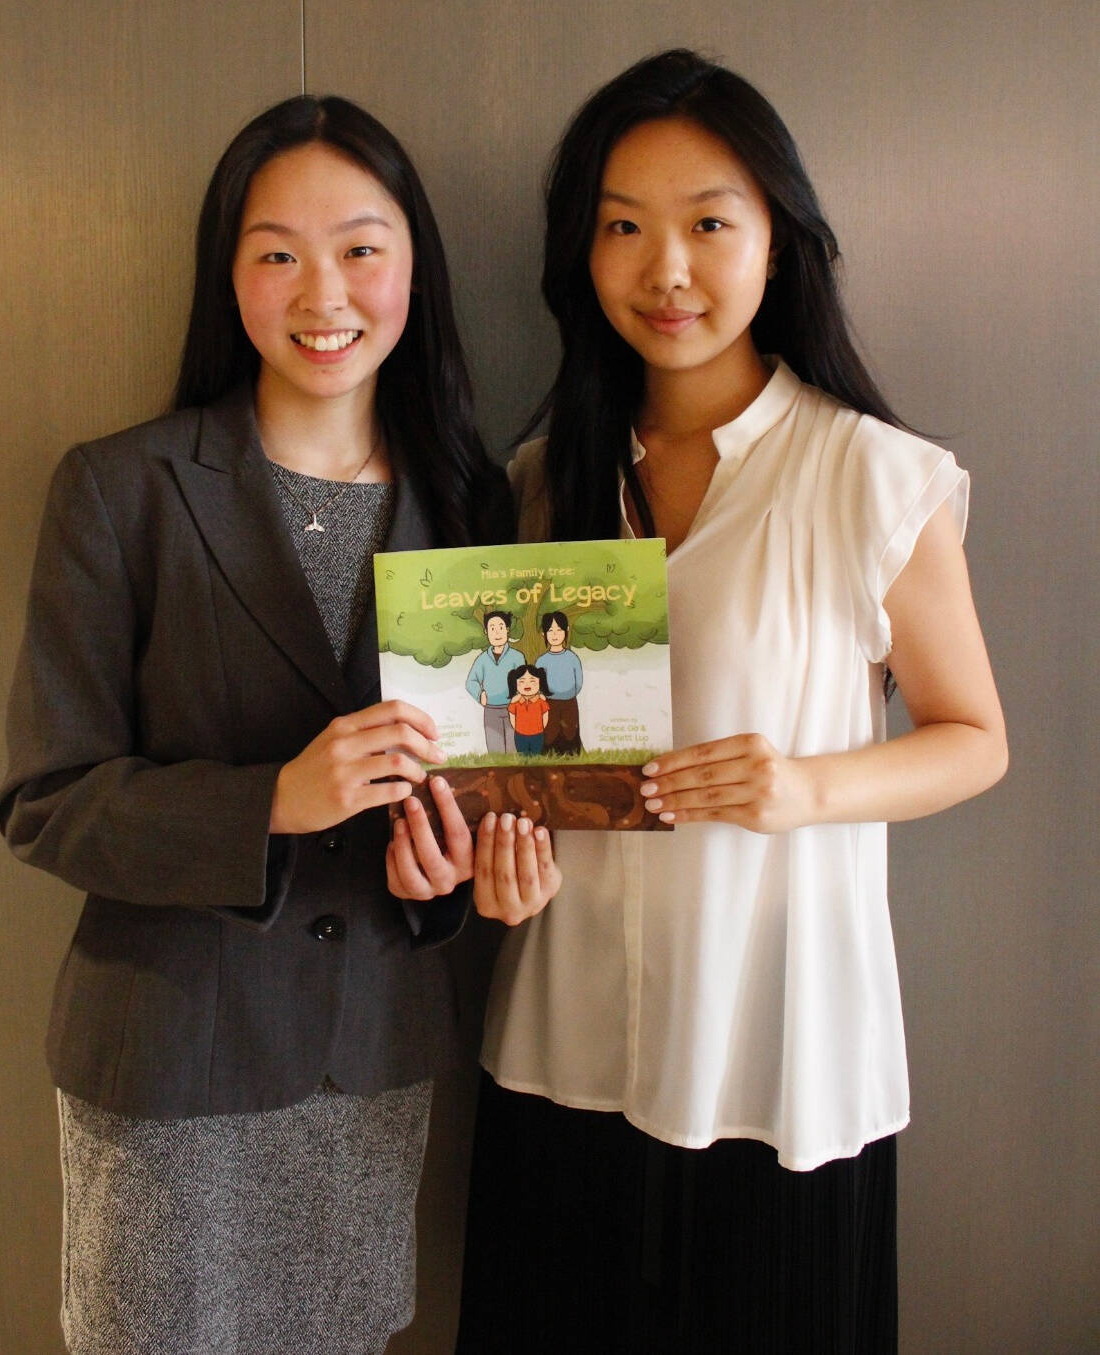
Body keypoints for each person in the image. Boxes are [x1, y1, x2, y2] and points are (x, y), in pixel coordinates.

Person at [455, 50, 1008, 1355]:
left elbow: (972, 737)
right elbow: (512, 770)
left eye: (708, 222)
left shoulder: (870, 474)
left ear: (778, 240)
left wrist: (804, 784)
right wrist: (500, 862)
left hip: (782, 1049)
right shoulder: (538, 488)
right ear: (577, 256)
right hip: (563, 1035)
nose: (667, 270)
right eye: (621, 227)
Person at [0, 93, 524, 1355]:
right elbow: (46, 798)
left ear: (415, 267)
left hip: (368, 1054)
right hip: (172, 1059)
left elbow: (477, 788)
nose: (321, 289)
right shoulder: (121, 487)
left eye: (361, 246)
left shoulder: (474, 506)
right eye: (276, 250)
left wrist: (452, 875)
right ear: (228, 273)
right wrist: (274, 798)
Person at [463, 609, 526, 752]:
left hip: (514, 709)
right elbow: (471, 681)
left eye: (501, 627)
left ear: (507, 630)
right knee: (495, 749)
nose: (497, 633)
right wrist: (480, 695)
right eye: (492, 628)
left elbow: (524, 680)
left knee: (513, 749)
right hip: (491, 711)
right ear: (486, 632)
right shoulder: (482, 659)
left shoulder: (517, 657)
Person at [535, 609, 583, 752]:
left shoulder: (572, 657)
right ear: (543, 634)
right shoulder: (542, 661)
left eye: (559, 630)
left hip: (570, 702)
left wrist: (570, 693)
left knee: (570, 730)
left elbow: (579, 681)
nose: (555, 634)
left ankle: (571, 754)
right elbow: (539, 683)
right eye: (550, 630)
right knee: (550, 730)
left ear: (566, 630)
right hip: (549, 702)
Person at [506, 664, 551, 754]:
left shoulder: (540, 701)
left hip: (538, 734)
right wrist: (517, 728)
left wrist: (541, 728)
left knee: (536, 754)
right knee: (523, 755)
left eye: (532, 681)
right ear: (515, 685)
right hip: (520, 734)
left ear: (539, 683)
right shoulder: (516, 703)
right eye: (522, 681)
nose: (527, 684)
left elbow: (545, 716)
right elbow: (512, 716)